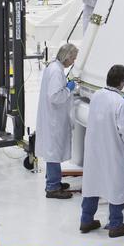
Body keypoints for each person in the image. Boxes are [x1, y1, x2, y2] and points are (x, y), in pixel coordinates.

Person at [79, 64, 124, 238]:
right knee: (115, 185)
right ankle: (116, 224)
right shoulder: (120, 103)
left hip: (94, 150)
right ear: (122, 82)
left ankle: (86, 220)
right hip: (112, 151)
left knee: (93, 184)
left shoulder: (97, 95)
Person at [36, 43, 78, 199]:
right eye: (73, 58)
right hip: (54, 118)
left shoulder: (54, 67)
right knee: (53, 153)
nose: (73, 62)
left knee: (52, 151)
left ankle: (54, 182)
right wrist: (68, 88)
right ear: (67, 57)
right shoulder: (56, 71)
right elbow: (55, 96)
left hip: (52, 117)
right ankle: (52, 188)